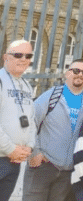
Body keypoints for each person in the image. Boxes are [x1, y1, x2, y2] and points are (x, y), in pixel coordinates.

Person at [23, 58, 83, 201]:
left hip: (68, 173)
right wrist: (34, 151)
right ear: (67, 73)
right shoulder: (53, 95)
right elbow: (30, 121)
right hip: (43, 166)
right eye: (76, 70)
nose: (80, 74)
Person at [0, 38, 36, 201]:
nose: (23, 59)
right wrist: (10, 149)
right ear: (5, 57)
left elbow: (31, 120)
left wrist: (28, 147)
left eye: (28, 56)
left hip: (15, 160)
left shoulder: (27, 86)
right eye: (18, 54)